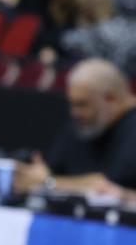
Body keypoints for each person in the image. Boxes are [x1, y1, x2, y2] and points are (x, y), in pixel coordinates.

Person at [14, 58, 136, 197]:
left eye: (82, 104)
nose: (74, 113)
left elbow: (107, 187)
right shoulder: (86, 125)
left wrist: (49, 183)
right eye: (72, 104)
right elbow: (49, 170)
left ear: (110, 98)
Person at [56, 0, 136, 75]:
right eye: (87, 4)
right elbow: (119, 68)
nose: (95, 2)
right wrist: (104, 21)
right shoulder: (98, 33)